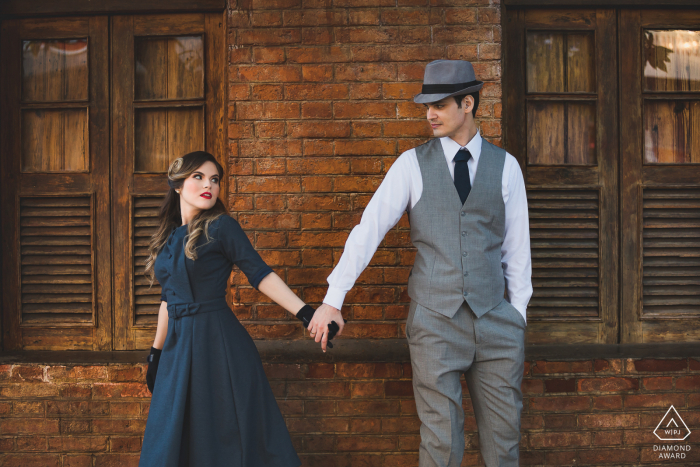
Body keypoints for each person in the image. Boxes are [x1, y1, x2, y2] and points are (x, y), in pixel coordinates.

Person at [309, 60, 533, 466]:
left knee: (504, 443)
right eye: (425, 105)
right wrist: (334, 297)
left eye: (440, 104)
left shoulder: (506, 167)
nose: (429, 113)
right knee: (441, 444)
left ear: (468, 103)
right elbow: (369, 229)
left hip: (497, 322)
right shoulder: (411, 165)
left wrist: (516, 315)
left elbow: (517, 251)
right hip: (435, 323)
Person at [139, 151, 319, 467]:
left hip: (217, 346)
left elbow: (260, 274)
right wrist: (155, 353)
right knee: (169, 436)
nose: (209, 185)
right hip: (177, 350)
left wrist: (306, 313)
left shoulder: (222, 227)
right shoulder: (169, 239)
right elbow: (168, 300)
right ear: (178, 185)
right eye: (199, 176)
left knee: (223, 436)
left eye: (215, 179)